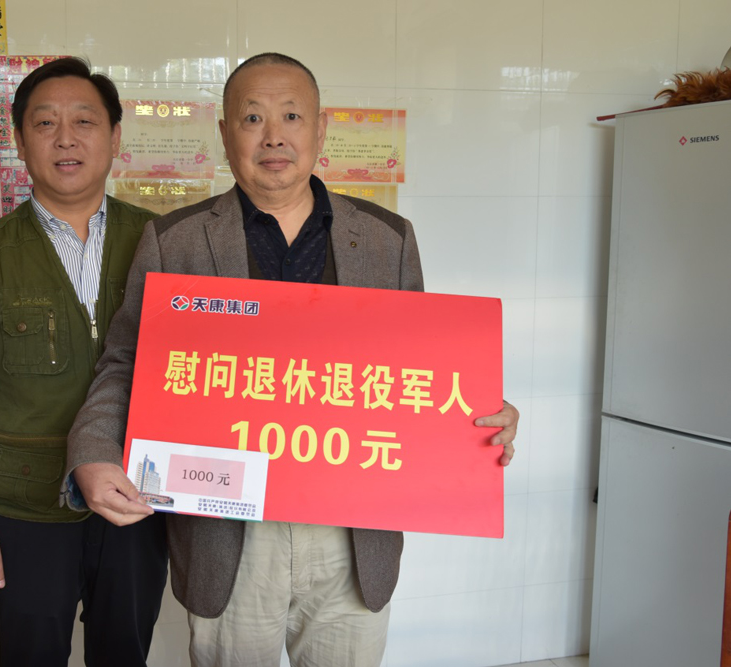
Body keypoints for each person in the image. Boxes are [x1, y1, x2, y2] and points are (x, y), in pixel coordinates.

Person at [64, 52, 519, 667]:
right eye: (252, 117)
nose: (273, 136)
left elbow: (419, 374)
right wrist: (93, 452)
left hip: (353, 532)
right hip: (229, 531)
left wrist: (479, 419)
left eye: (292, 116)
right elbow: (126, 362)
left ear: (321, 130)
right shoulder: (175, 241)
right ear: (225, 133)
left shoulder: (387, 239)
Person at [0, 57, 167, 667]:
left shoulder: (163, 243)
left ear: (115, 137)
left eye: (85, 121)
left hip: (136, 504)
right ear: (19, 141)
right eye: (45, 123)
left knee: (125, 655)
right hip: (24, 513)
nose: (66, 139)